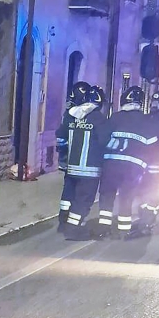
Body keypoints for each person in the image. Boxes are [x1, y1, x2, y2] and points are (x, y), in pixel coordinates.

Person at [98, 86, 159, 239]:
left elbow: (102, 138)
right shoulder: (147, 121)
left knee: (107, 194)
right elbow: (153, 146)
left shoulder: (115, 118)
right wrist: (149, 167)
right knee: (126, 197)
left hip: (111, 164)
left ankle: (103, 228)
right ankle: (123, 230)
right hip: (133, 168)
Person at [62, 85, 108, 241]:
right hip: (89, 169)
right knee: (83, 200)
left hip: (72, 167)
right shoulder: (99, 119)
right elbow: (104, 141)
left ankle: (68, 224)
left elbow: (63, 137)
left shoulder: (72, 116)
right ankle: (73, 229)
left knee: (73, 198)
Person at [136, 90, 159, 234]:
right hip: (155, 160)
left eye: (157, 102)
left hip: (150, 160)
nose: (154, 104)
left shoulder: (152, 118)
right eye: (154, 101)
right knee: (152, 188)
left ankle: (146, 217)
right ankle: (147, 218)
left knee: (149, 188)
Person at [55, 81, 92, 230]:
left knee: (68, 187)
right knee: (78, 190)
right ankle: (73, 220)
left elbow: (61, 136)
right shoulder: (82, 114)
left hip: (68, 158)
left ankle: (63, 218)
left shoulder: (68, 112)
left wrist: (63, 154)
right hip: (79, 158)